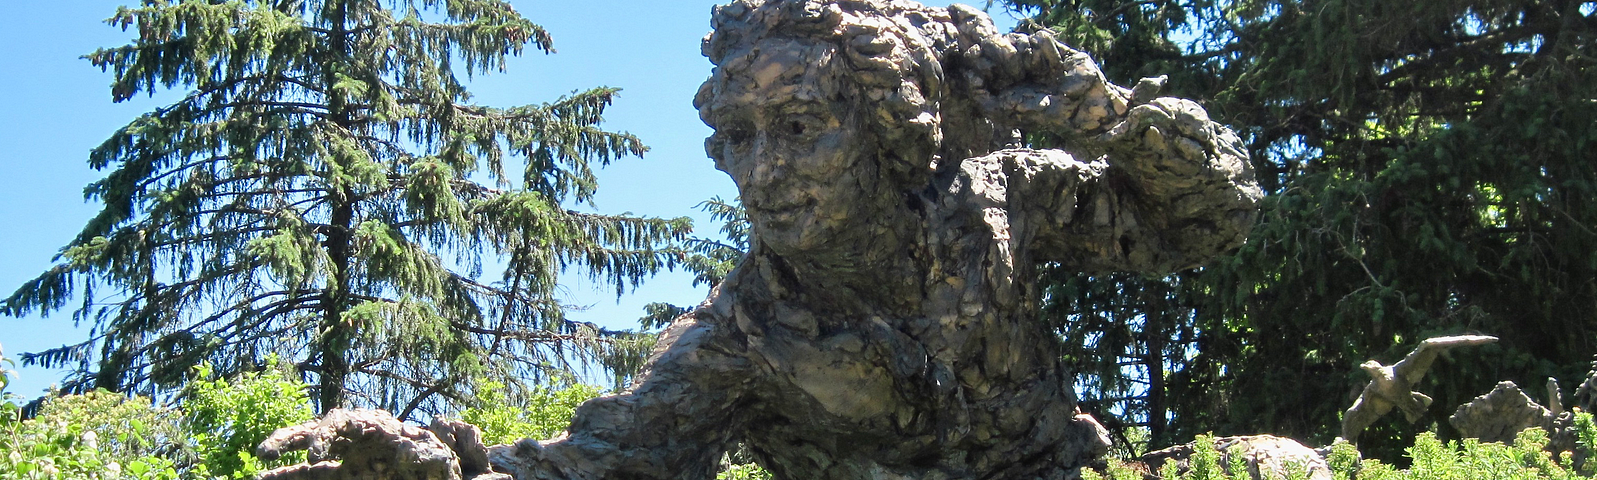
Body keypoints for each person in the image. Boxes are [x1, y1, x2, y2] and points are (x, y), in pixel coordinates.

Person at [258, 1, 1261, 479]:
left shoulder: (999, 203)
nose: (761, 171)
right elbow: (592, 466)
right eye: (738, 139)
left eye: (796, 129)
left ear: (883, 127)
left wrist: (1109, 117)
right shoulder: (740, 337)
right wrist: (443, 471)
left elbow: (1207, 216)